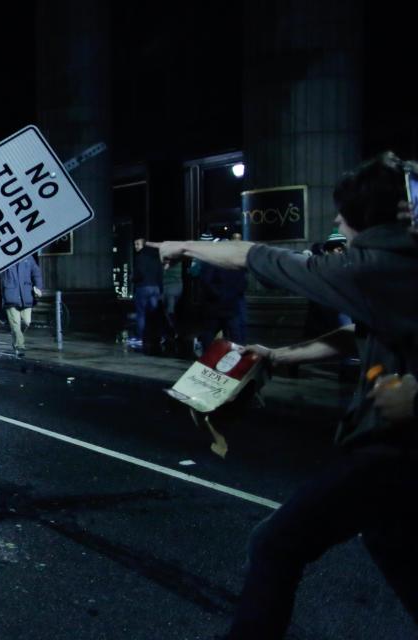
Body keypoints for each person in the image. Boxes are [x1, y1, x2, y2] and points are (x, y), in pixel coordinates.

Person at [150, 151, 418, 639]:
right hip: (395, 457)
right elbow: (358, 334)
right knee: (391, 540)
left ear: (361, 217)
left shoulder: (372, 268)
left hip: (391, 451)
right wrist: (279, 357)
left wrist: (183, 245)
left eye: (341, 211)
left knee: (277, 544)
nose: (335, 219)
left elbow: (254, 256)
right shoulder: (394, 269)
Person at [0, 254, 42, 357]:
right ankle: (20, 346)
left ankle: (17, 337)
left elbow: (36, 273)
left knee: (27, 322)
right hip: (11, 294)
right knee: (15, 323)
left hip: (26, 295)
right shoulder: (3, 258)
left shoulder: (28, 258)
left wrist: (38, 287)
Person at [132, 238, 163, 349]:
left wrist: (133, 279)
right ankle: (158, 336)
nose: (135, 246)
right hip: (155, 287)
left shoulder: (140, 257)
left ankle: (141, 338)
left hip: (143, 287)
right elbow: (160, 274)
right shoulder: (155, 258)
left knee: (141, 314)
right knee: (154, 313)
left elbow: (138, 273)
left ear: (144, 245)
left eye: (138, 244)